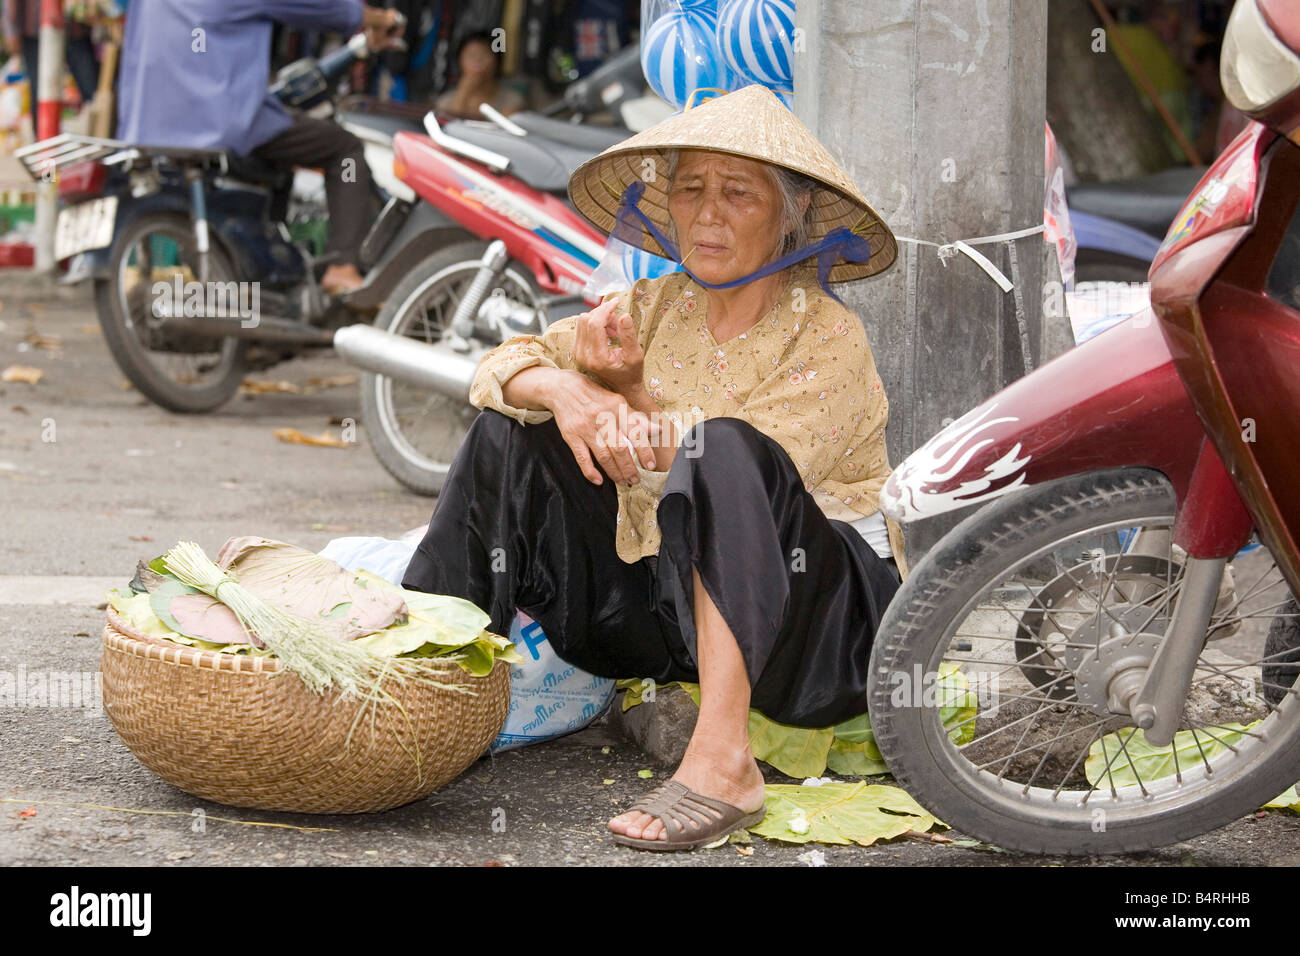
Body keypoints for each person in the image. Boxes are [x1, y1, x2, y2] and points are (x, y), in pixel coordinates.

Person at [402, 85, 905, 851]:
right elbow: (501, 364)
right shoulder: (654, 304)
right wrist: (568, 389)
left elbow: (745, 474)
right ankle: (421, 695)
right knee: (514, 430)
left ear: (791, 214)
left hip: (814, 633)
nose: (707, 213)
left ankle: (725, 760)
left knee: (722, 447)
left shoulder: (829, 335)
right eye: (691, 189)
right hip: (669, 621)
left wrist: (626, 400)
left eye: (737, 194)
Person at [114, 0, 401, 296]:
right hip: (216, 118)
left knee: (277, 141)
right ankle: (343, 266)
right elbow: (320, 8)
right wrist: (379, 19)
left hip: (149, 121)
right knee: (344, 150)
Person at [434, 31, 524, 120]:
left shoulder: (512, 100)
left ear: (497, 61)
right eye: (471, 55)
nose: (477, 61)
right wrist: (463, 94)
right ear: (460, 61)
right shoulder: (446, 101)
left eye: (484, 55)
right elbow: (447, 125)